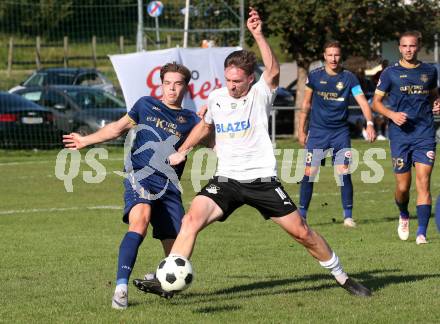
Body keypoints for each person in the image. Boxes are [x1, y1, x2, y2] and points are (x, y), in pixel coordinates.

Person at [136, 8, 372, 298]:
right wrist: (183, 150)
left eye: (237, 81)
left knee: (302, 233)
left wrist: (258, 34)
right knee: (190, 220)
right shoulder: (217, 98)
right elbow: (204, 126)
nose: (231, 86)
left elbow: (272, 70)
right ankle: (167, 282)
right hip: (226, 180)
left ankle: (343, 277)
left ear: (250, 79)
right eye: (228, 80)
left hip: (261, 181)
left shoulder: (261, 94)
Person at [63, 62, 200, 309]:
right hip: (141, 175)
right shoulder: (145, 104)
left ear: (186, 87)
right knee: (141, 219)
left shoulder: (192, 120)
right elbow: (116, 128)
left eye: (178, 84)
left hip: (169, 185)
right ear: (161, 84)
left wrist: (210, 119)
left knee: (178, 249)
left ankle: (161, 281)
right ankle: (121, 288)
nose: (172, 89)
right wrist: (85, 141)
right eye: (167, 83)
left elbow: (214, 140)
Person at [297, 40, 376, 228]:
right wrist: (302, 130)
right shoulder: (314, 76)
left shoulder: (349, 78)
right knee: (310, 172)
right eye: (330, 54)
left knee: (343, 172)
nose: (333, 58)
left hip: (340, 133)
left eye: (337, 55)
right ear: (324, 56)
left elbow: (363, 102)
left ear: (341, 56)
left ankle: (348, 217)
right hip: (317, 132)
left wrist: (370, 123)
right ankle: (302, 216)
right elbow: (306, 103)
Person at [372, 31, 440, 244]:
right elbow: (376, 103)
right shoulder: (390, 73)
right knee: (403, 187)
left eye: (412, 46)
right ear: (399, 48)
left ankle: (421, 232)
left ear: (418, 47)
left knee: (424, 181)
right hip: (400, 136)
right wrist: (392, 114)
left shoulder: (429, 71)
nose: (408, 49)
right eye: (404, 46)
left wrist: (436, 103)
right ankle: (403, 213)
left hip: (425, 134)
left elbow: (433, 94)